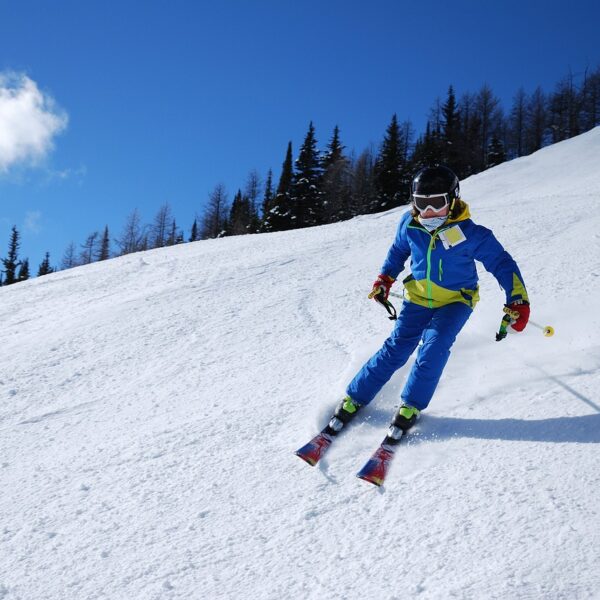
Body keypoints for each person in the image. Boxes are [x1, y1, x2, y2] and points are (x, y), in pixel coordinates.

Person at [324, 164, 530, 444]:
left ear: (453, 199)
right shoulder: (409, 224)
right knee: (396, 348)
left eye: (437, 203)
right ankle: (355, 398)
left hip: (457, 300)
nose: (429, 212)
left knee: (433, 348)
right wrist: (385, 278)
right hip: (418, 298)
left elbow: (501, 263)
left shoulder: (472, 233)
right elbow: (398, 251)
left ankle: (410, 405)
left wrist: (517, 300)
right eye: (422, 204)